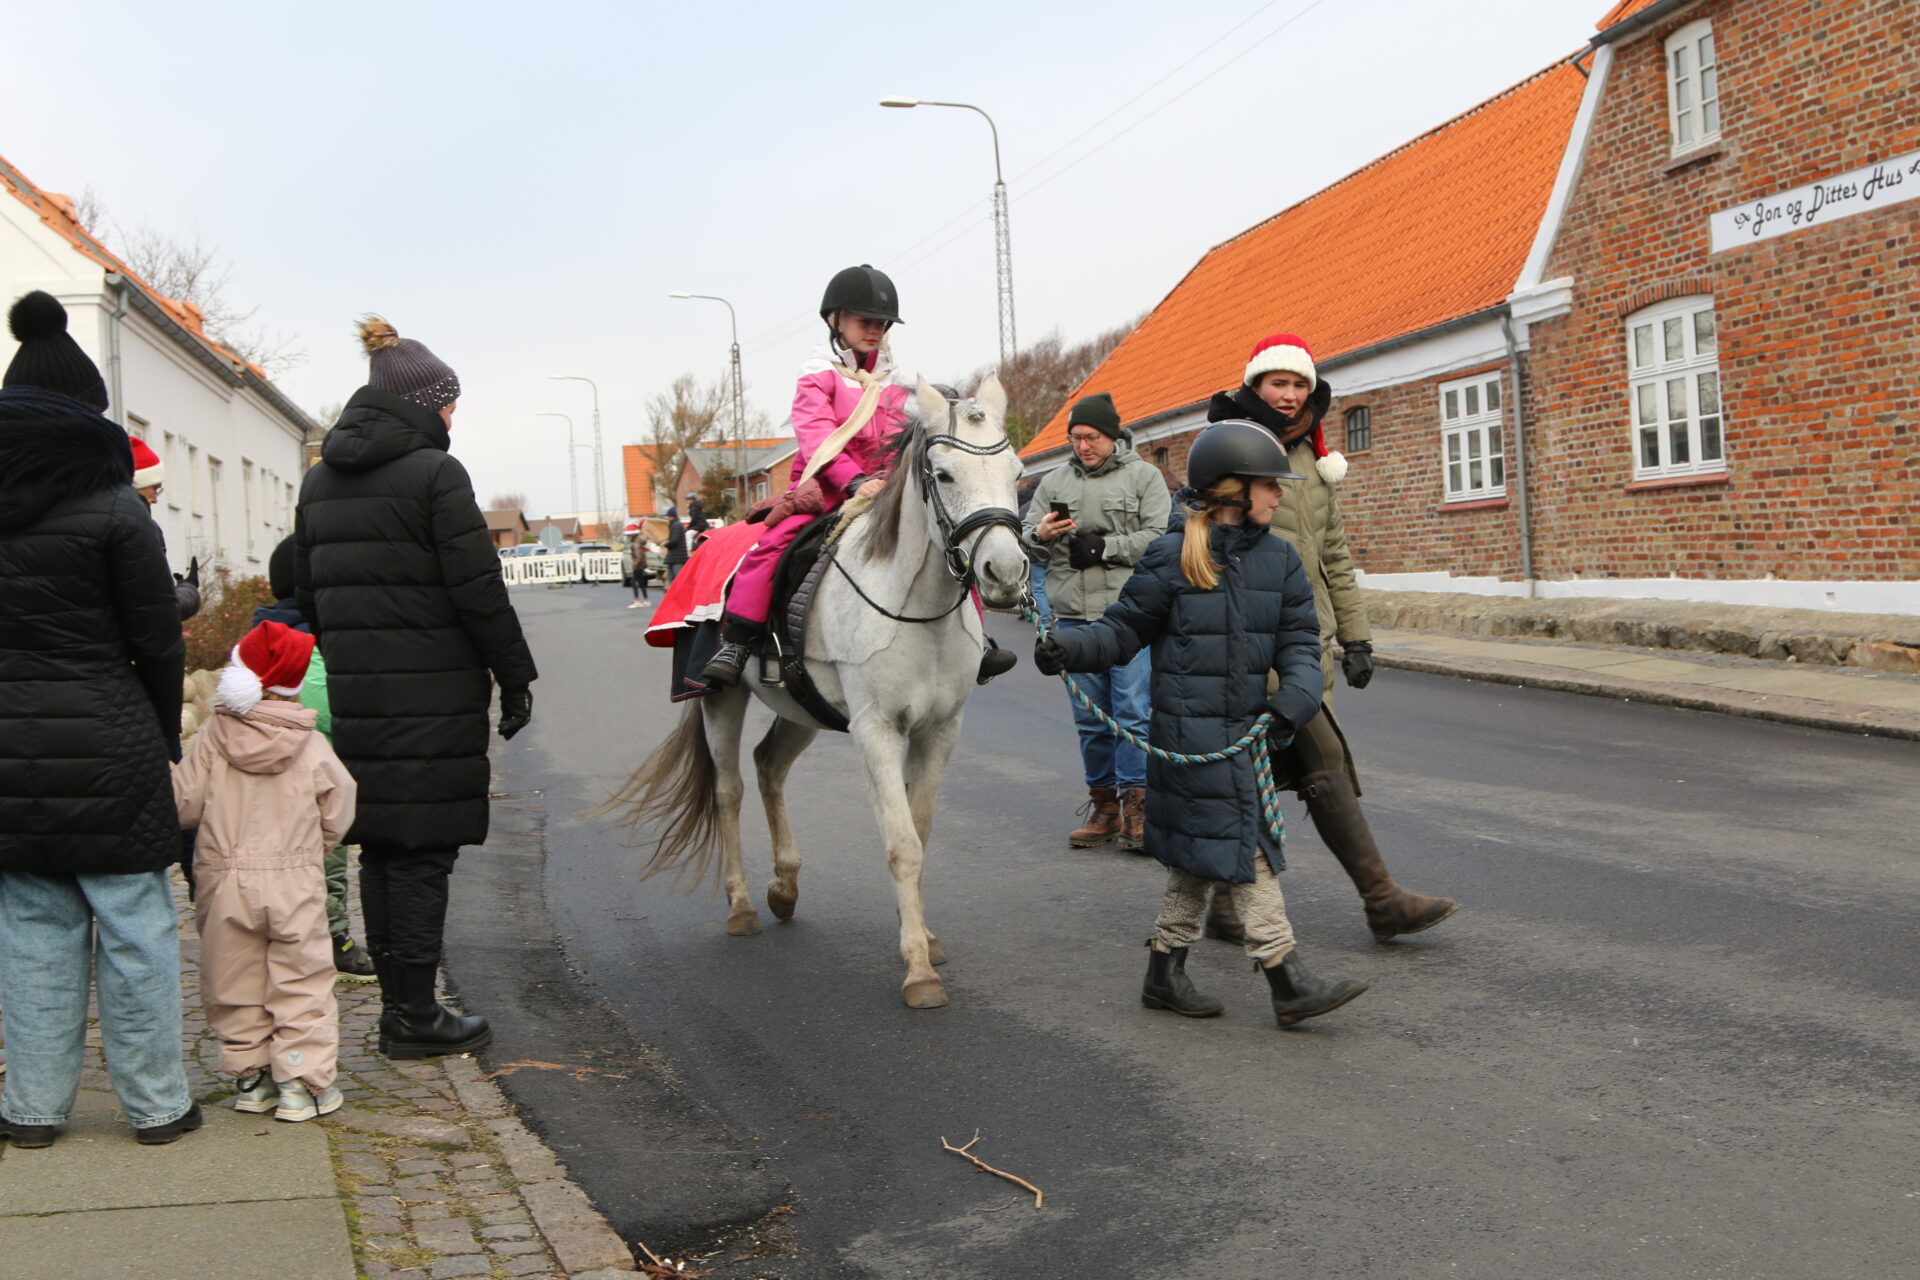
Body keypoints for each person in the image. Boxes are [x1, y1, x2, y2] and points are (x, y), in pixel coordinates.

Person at [1034, 421, 1369, 1027]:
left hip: (1247, 732)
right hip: (1188, 737)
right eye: (1269, 486)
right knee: (1248, 848)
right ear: (1230, 489)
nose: (1279, 495)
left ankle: (1164, 970)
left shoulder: (1282, 560)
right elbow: (1121, 631)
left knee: (1198, 855)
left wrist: (1292, 702)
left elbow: (1300, 646)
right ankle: (1286, 978)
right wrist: (1068, 646)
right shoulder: (1172, 555)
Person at [295, 316, 537, 1059]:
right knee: (425, 850)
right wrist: (514, 677)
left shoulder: (319, 479)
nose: (453, 416)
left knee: (382, 848)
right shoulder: (436, 475)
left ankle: (402, 1010)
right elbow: (478, 591)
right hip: (434, 702)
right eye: (450, 402)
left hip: (364, 700)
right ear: (425, 403)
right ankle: (414, 1017)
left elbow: (308, 597)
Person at [0, 381, 202, 1147]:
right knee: (136, 927)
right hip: (110, 736)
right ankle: (156, 1106)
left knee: (28, 931)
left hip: (9, 748)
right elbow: (158, 640)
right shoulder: (120, 512)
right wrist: (161, 733)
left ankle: (32, 1110)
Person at [1203, 334, 1457, 944]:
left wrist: (1357, 637)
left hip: (1309, 639)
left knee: (1275, 767)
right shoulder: (1232, 448)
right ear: (1255, 386)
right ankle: (1381, 901)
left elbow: (1334, 555)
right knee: (1314, 761)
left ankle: (1222, 902)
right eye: (1277, 384)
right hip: (1253, 640)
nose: (1289, 396)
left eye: (1299, 385)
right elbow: (1201, 540)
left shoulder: (1316, 462)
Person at [702, 264, 1016, 688]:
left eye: (882, 323)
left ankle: (975, 637)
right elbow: (816, 436)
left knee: (945, 538)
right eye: (865, 321)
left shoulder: (888, 382)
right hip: (826, 487)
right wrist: (852, 481)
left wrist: (888, 479)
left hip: (882, 487)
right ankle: (739, 640)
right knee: (774, 545)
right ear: (836, 320)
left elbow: (893, 440)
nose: (875, 329)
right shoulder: (817, 376)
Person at [173, 621, 356, 1121]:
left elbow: (183, 804)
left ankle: (251, 1076)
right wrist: (314, 847)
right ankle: (299, 1079)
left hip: (224, 873)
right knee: (302, 978)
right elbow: (339, 805)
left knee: (233, 976)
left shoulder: (212, 738)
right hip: (295, 875)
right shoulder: (310, 742)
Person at [1022, 393, 1172, 851]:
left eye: (1091, 437)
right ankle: (1103, 805)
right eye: (1076, 437)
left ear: (1112, 435)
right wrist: (1040, 535)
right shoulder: (1053, 482)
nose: (1083, 445)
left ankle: (1137, 809)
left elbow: (1162, 539)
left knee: (1130, 712)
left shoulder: (1145, 477)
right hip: (1074, 619)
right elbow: (1027, 542)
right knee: (1090, 719)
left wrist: (1106, 548)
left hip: (1129, 617)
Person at [253, 536, 377, 981]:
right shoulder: (309, 634)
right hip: (311, 772)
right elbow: (324, 707)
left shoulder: (258, 631)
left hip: (262, 780)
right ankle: (334, 937)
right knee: (328, 858)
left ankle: (281, 937)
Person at [623, 532, 653, 608]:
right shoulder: (639, 540)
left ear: (631, 535)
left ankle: (637, 600)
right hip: (641, 565)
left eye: (628, 535)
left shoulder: (635, 543)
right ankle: (646, 600)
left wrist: (634, 565)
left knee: (633, 582)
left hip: (637, 566)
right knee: (641, 582)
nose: (628, 537)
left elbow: (638, 555)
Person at [663, 506, 689, 584]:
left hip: (677, 558)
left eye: (668, 516)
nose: (667, 518)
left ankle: (679, 595)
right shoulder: (675, 525)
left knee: (677, 578)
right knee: (671, 578)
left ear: (671, 516)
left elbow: (674, 541)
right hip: (674, 557)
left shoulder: (676, 526)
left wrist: (665, 544)